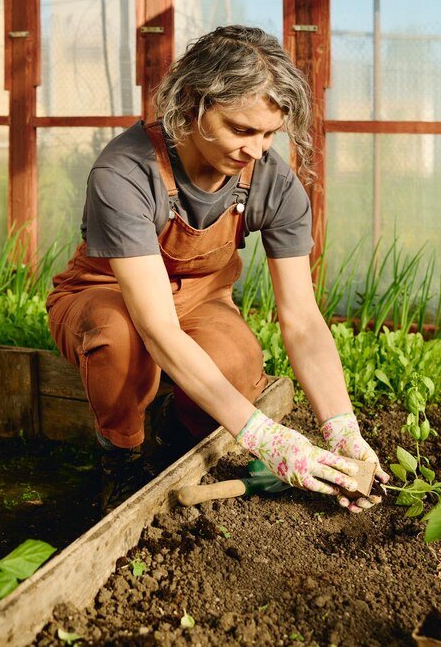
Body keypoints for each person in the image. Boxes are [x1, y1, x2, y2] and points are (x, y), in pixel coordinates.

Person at [46, 25, 390, 512]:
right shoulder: (124, 171)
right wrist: (263, 436)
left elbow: (303, 319)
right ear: (192, 104)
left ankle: (174, 429)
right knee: (118, 338)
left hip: (201, 299)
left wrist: (343, 430)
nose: (258, 149)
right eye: (242, 129)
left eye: (270, 133)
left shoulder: (271, 178)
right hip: (107, 295)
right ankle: (119, 459)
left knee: (237, 365)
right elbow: (158, 327)